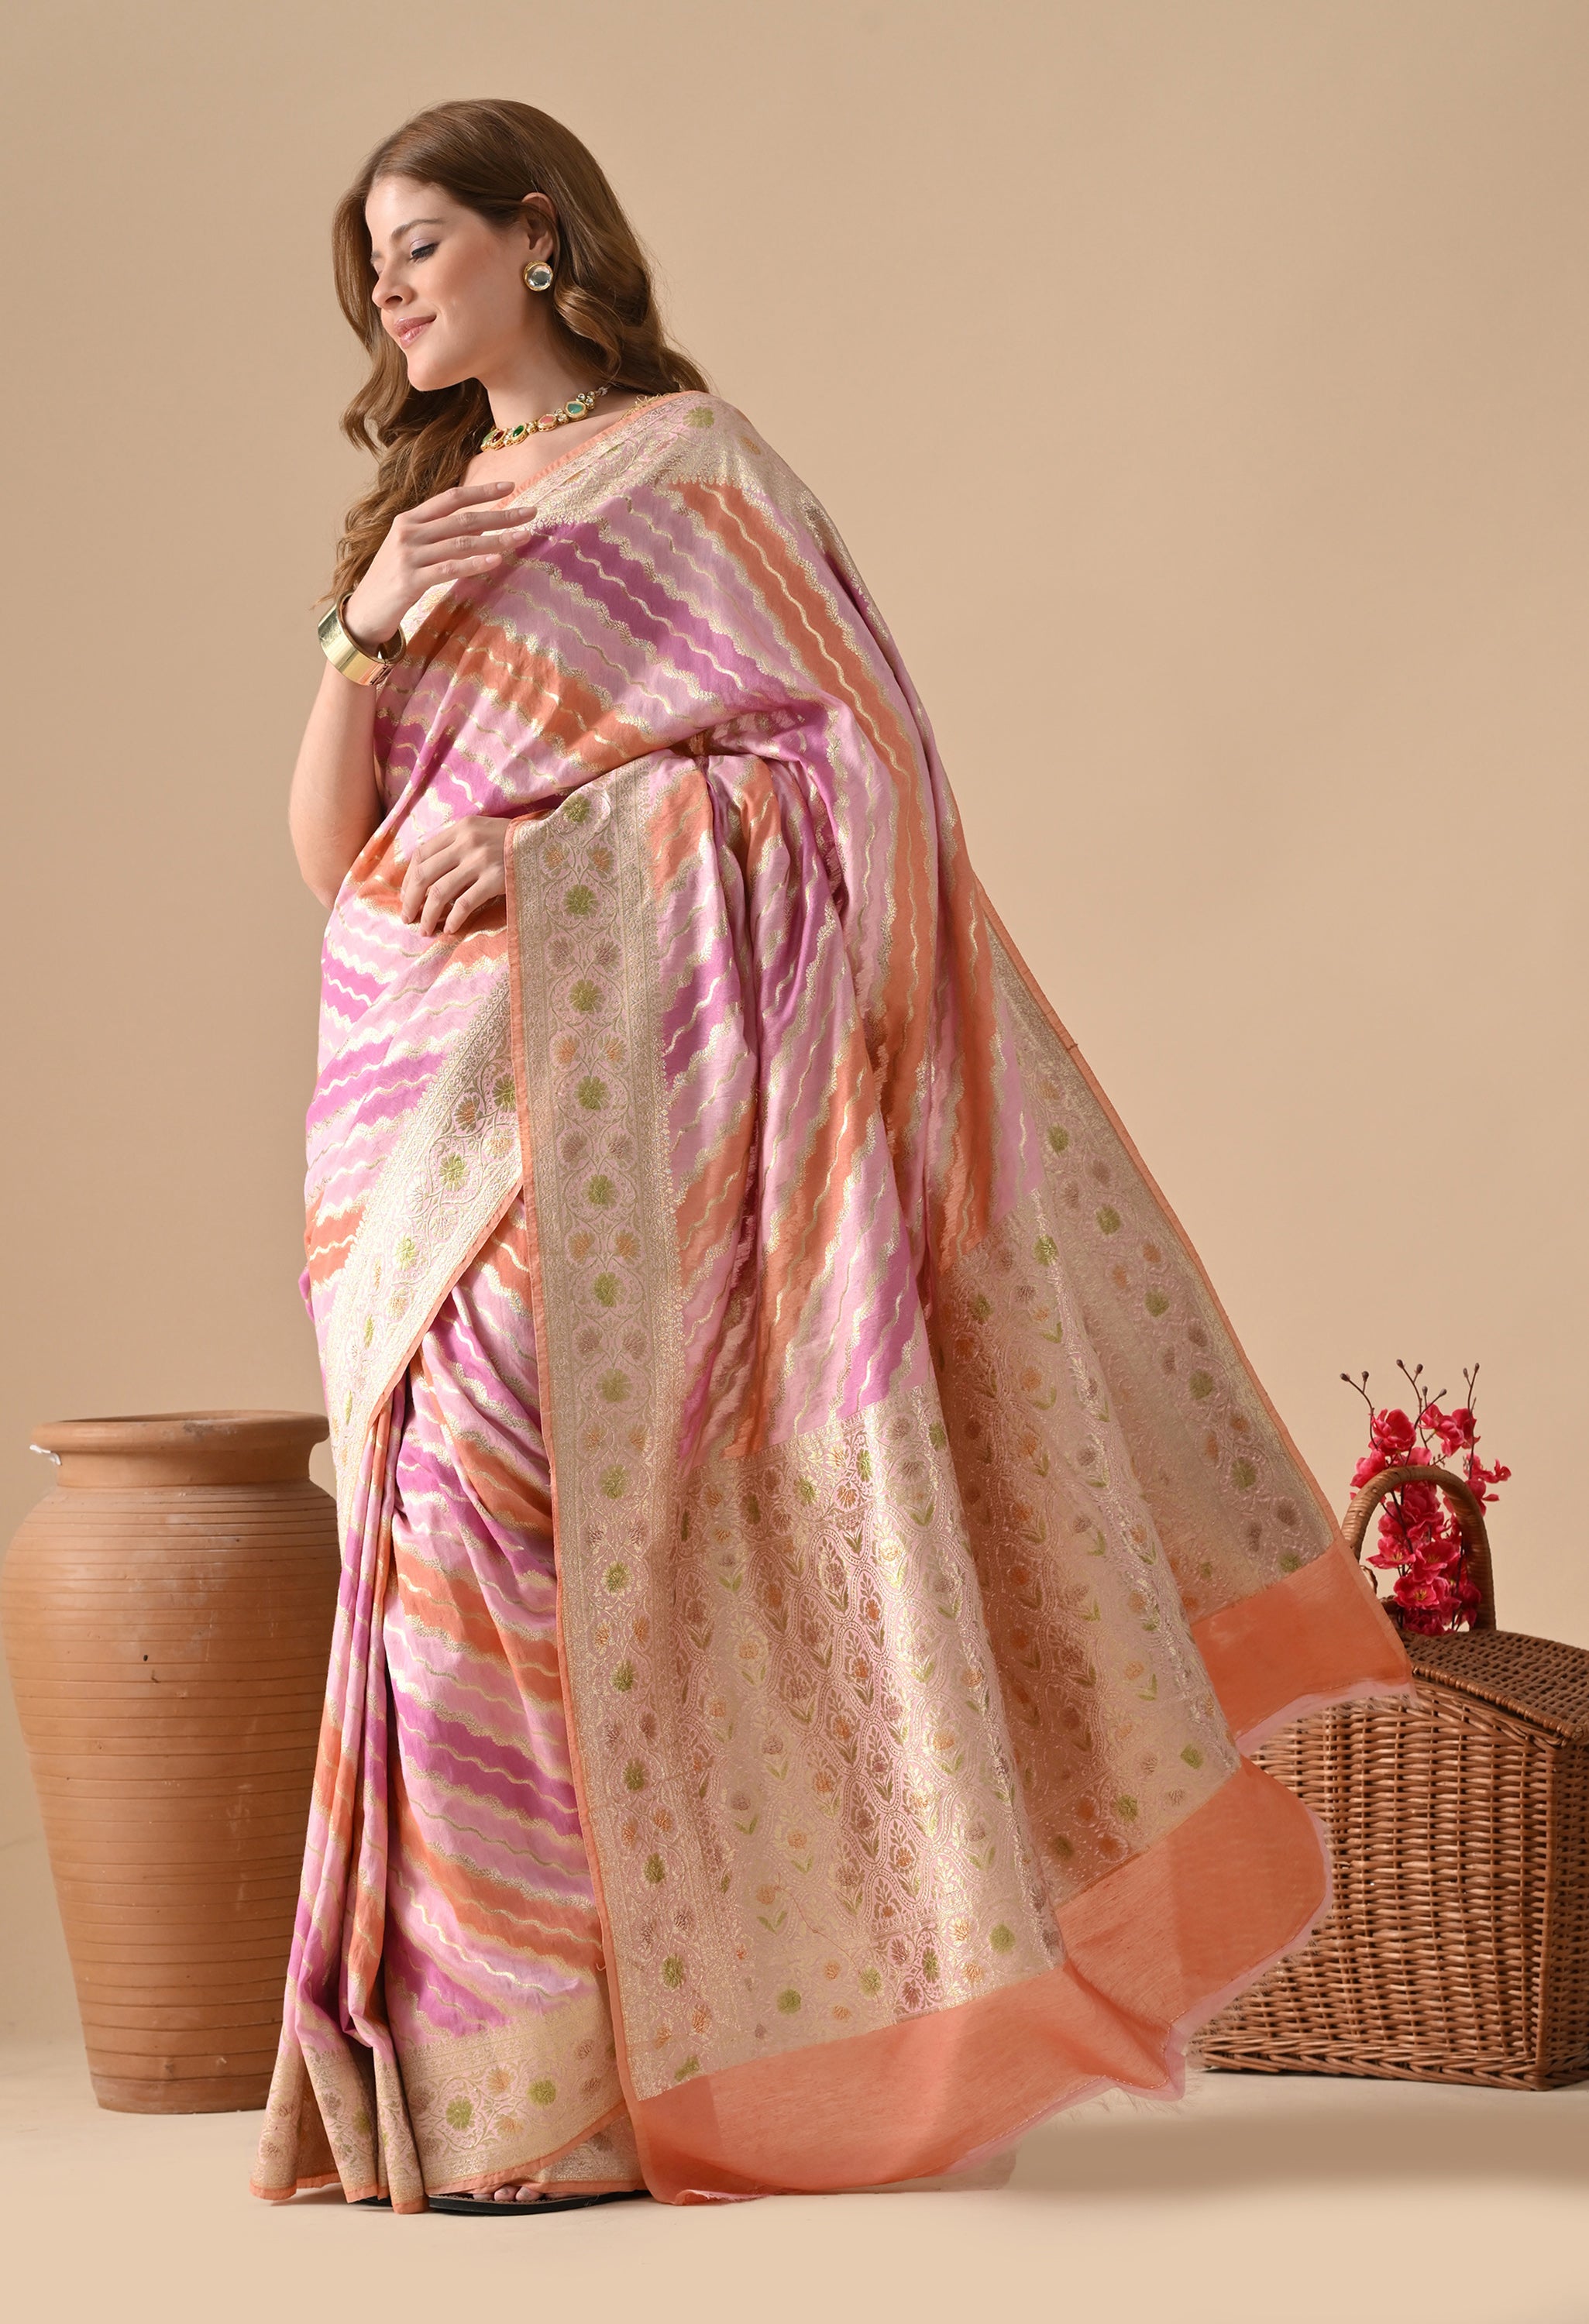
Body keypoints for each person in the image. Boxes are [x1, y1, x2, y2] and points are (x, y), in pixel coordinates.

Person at [253, 97, 1409, 2218]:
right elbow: (345, 865)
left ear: (537, 239)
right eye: (373, 273)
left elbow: (852, 784)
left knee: (517, 1527)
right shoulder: (422, 520)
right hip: (411, 1124)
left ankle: (591, 2089)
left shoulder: (693, 476)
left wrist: (561, 860)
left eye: (420, 248)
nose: (392, 294)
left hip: (619, 1128)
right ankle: (507, 2101)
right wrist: (358, 641)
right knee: (428, 1552)